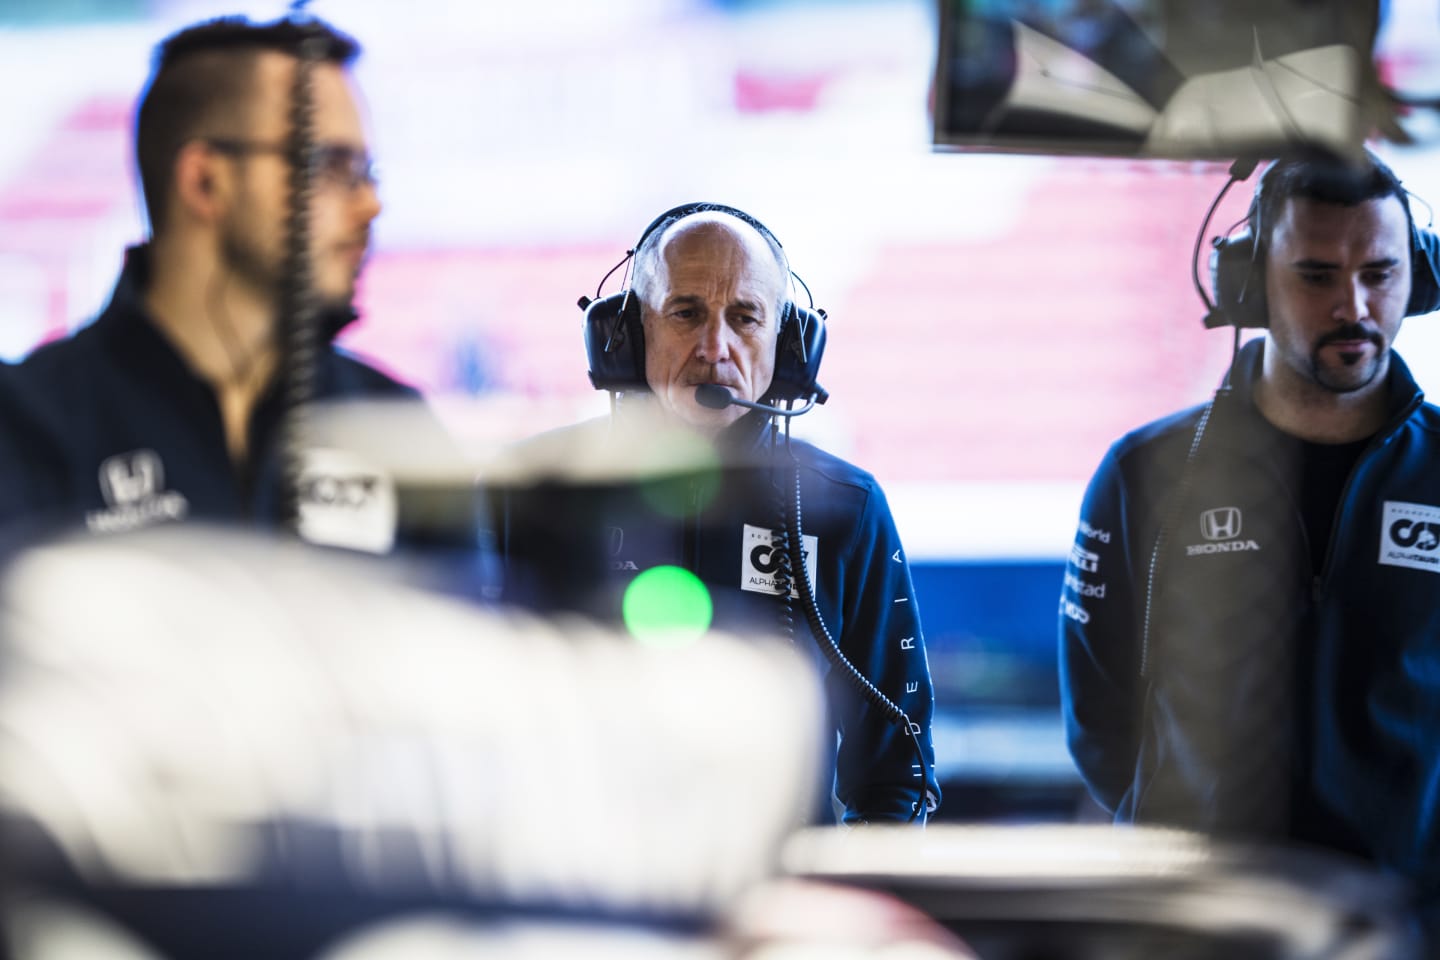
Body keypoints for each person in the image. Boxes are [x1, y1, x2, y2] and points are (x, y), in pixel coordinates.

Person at [1059, 151, 1440, 907]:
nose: (1355, 307)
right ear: (1252, 283)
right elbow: (1100, 721)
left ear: (1418, 280)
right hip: (1200, 922)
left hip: (1407, 924)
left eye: (1379, 273)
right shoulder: (1146, 472)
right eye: (1317, 275)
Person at [499, 204, 939, 824]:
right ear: (626, 336)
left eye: (745, 317)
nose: (715, 348)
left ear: (788, 345)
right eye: (685, 313)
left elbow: (900, 770)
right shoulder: (533, 493)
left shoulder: (844, 506)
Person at [0, 16, 437, 555]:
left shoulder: (396, 423)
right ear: (205, 181)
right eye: (328, 166)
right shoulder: (27, 425)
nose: (370, 205)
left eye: (367, 171)